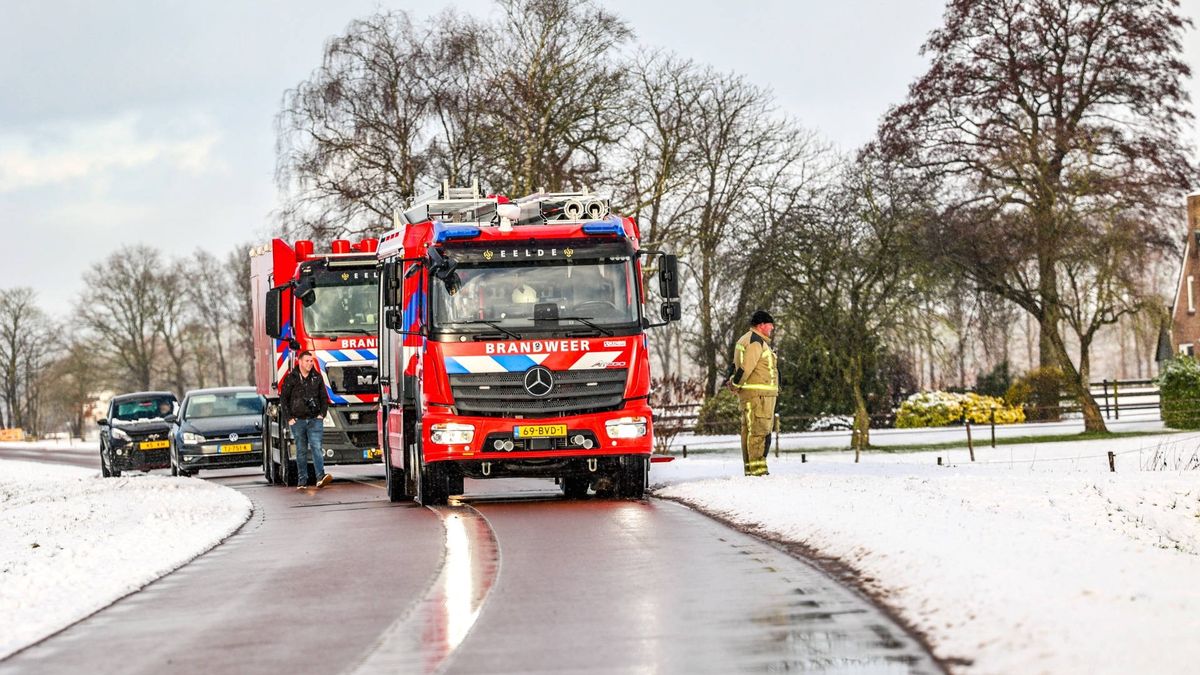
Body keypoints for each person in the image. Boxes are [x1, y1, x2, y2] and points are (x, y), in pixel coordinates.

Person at [727, 310, 778, 476]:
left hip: (755, 395)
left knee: (750, 432)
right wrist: (735, 384)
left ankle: (752, 470)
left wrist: (734, 382)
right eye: (770, 325)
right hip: (758, 397)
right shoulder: (755, 342)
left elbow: (736, 366)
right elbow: (745, 368)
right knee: (758, 432)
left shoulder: (747, 339)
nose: (772, 328)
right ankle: (758, 472)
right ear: (761, 325)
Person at [281, 350, 332, 490]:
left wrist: (322, 414)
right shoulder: (291, 378)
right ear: (300, 362)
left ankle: (320, 477)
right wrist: (289, 418)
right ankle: (302, 481)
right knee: (301, 450)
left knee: (316, 447)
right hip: (298, 421)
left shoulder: (317, 377)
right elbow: (284, 399)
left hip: (315, 420)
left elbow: (323, 397)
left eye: (311, 361)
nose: (310, 363)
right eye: (307, 361)